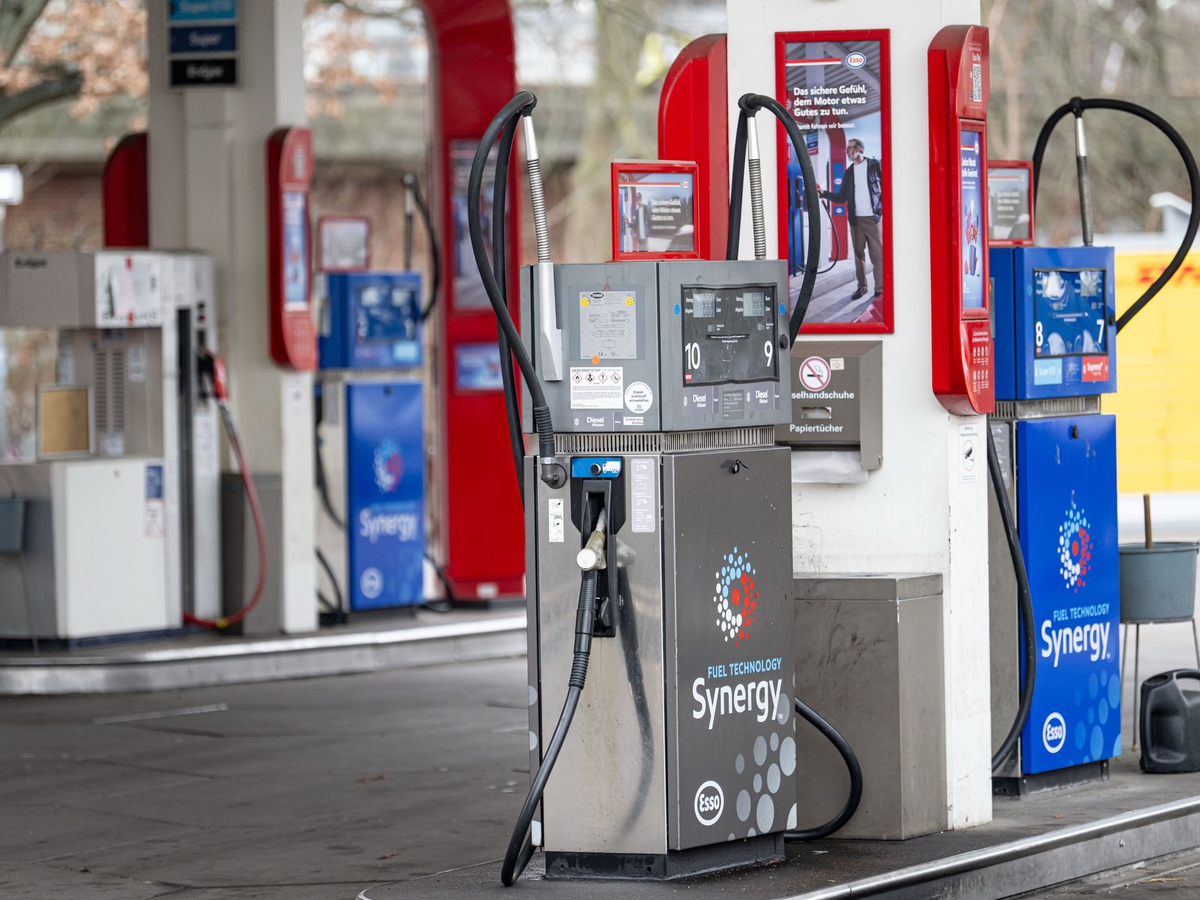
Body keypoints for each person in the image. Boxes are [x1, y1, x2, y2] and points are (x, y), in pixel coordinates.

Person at [820, 138, 884, 301]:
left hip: (874, 220)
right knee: (858, 255)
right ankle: (862, 287)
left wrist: (880, 211)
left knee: (878, 256)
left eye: (850, 148)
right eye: (847, 148)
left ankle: (880, 289)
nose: (847, 151)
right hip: (856, 221)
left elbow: (886, 188)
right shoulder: (849, 173)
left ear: (859, 148)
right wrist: (824, 193)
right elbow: (841, 197)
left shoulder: (874, 165)